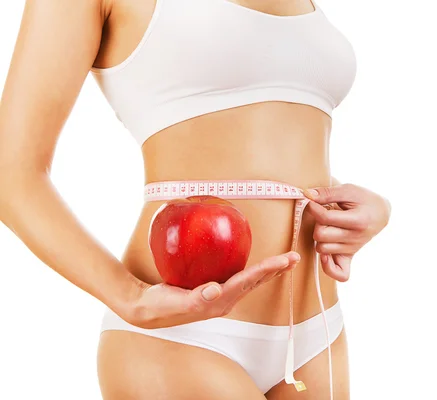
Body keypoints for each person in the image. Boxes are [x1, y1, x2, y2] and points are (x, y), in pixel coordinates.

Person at [0, 0, 391, 399]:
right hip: (179, 334)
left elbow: (269, 144)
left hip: (316, 327)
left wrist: (350, 211)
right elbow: (11, 176)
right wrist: (130, 298)